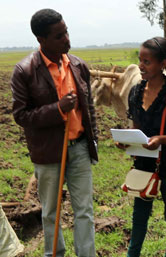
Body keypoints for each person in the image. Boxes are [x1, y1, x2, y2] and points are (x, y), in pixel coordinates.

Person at [10, 9, 98, 257]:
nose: (67, 39)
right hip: (48, 152)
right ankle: (54, 254)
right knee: (51, 211)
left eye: (66, 32)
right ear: (41, 40)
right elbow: (21, 115)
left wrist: (94, 139)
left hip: (79, 147)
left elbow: (88, 106)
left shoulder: (78, 65)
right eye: (59, 36)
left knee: (84, 210)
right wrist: (57, 109)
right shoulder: (25, 71)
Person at [116, 37, 166, 257]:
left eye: (147, 62)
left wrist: (162, 140)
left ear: (163, 64)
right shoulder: (135, 92)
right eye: (140, 60)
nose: (141, 66)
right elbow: (137, 129)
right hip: (144, 164)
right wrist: (126, 141)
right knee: (139, 216)